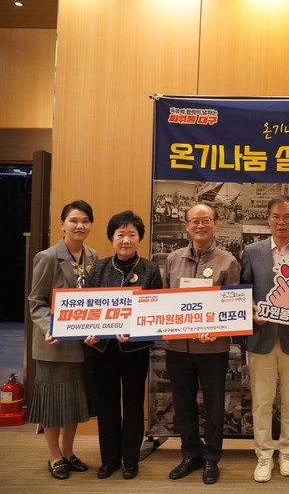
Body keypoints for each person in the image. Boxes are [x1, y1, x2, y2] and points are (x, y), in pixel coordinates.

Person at [242, 196, 289, 483]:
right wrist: (252, 308)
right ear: (268, 219)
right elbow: (243, 288)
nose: (281, 222)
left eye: (287, 216)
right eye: (276, 216)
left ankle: (287, 452)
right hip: (261, 337)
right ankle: (264, 455)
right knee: (262, 401)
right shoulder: (252, 251)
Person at [163, 203, 240, 485]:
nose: (200, 225)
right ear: (187, 225)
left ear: (216, 224)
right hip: (177, 347)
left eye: (206, 220)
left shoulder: (228, 261)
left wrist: (216, 329)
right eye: (194, 221)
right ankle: (190, 455)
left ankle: (211, 458)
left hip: (213, 348)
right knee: (183, 404)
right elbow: (165, 301)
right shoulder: (173, 259)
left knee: (214, 405)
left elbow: (233, 306)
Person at [85, 210, 163, 480]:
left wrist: (137, 333)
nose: (126, 240)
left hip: (134, 351)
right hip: (102, 349)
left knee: (133, 405)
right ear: (111, 238)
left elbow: (157, 313)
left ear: (139, 238)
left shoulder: (150, 269)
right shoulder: (98, 268)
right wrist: (89, 332)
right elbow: (87, 309)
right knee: (106, 405)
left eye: (132, 234)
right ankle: (109, 460)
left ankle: (130, 460)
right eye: (120, 234)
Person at [27, 200, 98, 480]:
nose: (80, 226)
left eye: (85, 221)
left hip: (82, 345)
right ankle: (54, 456)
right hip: (53, 345)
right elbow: (36, 301)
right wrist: (50, 326)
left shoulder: (92, 256)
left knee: (73, 402)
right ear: (62, 225)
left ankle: (68, 452)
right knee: (53, 403)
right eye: (74, 220)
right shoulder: (47, 257)